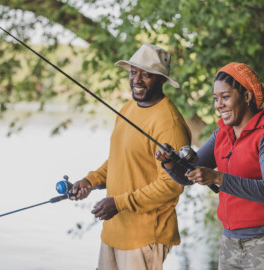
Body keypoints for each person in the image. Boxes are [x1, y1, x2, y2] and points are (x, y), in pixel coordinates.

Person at [70, 44, 191, 270]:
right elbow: (119, 161)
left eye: (146, 74)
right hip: (113, 233)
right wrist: (90, 181)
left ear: (161, 79)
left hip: (144, 237)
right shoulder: (127, 109)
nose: (137, 79)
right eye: (133, 72)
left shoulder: (169, 124)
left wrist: (119, 203)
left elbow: (172, 185)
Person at [155, 62, 264, 270]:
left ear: (247, 97)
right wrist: (169, 161)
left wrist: (217, 178)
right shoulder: (221, 134)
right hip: (229, 241)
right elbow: (186, 176)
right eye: (216, 99)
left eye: (225, 97)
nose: (218, 104)